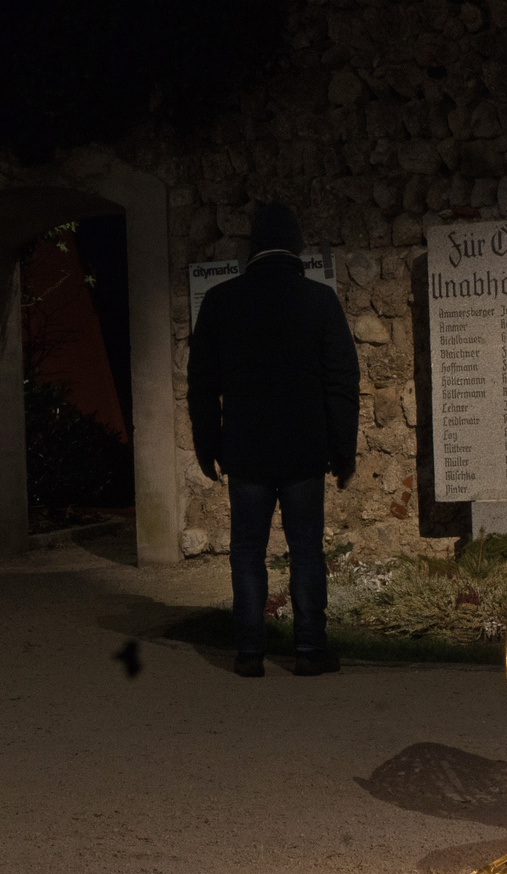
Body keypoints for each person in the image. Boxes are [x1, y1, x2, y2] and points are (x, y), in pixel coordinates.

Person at [187, 203, 360, 678]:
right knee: (306, 550)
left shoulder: (222, 301)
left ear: (252, 248)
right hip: (305, 448)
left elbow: (202, 382)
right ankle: (309, 649)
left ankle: (249, 652)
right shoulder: (319, 301)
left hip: (245, 449)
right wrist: (343, 448)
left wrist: (208, 445)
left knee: (247, 550)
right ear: (297, 244)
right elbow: (342, 381)